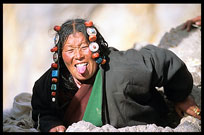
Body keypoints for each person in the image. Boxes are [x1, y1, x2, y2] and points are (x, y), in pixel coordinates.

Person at [31, 18, 201, 132]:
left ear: (96, 47)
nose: (78, 56)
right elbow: (42, 109)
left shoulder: (124, 68)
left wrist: (181, 96)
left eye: (84, 47)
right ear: (60, 54)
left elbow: (165, 60)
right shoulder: (50, 82)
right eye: (70, 50)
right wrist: (51, 123)